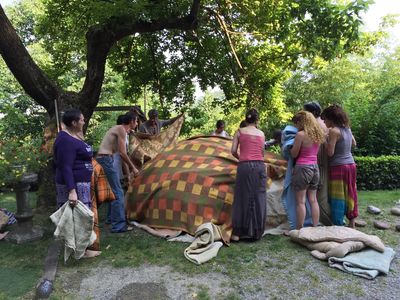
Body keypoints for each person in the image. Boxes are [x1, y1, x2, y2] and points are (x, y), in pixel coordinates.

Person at [53, 108, 100, 257]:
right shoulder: (65, 140)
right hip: (75, 186)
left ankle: (81, 249)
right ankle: (82, 252)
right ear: (74, 122)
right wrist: (72, 191)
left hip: (81, 185)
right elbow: (65, 166)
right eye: (81, 119)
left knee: (81, 218)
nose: (84, 121)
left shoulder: (72, 136)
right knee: (78, 219)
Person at [96, 113, 139, 233]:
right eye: (136, 121)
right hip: (105, 160)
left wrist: (128, 173)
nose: (137, 124)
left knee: (113, 191)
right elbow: (122, 154)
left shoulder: (122, 131)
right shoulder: (121, 129)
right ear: (131, 121)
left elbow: (122, 155)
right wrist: (134, 168)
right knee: (118, 192)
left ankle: (111, 219)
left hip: (105, 159)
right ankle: (118, 225)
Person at [231, 108, 266, 241]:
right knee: (258, 197)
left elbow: (233, 151)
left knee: (241, 197)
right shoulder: (261, 134)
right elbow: (262, 153)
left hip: (244, 165)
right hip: (259, 166)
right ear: (257, 120)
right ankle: (256, 232)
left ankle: (237, 233)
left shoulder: (240, 132)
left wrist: (241, 157)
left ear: (246, 119)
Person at [321, 104, 358, 227]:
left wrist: (324, 140)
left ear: (331, 118)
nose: (324, 122)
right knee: (351, 192)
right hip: (351, 164)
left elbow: (330, 153)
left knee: (338, 196)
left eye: (325, 119)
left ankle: (338, 225)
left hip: (338, 167)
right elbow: (354, 144)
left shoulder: (334, 131)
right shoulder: (347, 128)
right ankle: (352, 222)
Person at [290, 111, 325, 229]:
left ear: (302, 122)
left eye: (297, 123)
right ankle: (315, 226)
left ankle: (299, 229)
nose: (296, 126)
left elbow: (294, 154)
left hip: (303, 167)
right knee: (313, 199)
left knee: (300, 201)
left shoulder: (300, 135)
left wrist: (289, 149)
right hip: (315, 168)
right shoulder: (318, 134)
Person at [303, 101, 331, 226]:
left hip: (317, 160)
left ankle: (321, 220)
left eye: (306, 112)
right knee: (318, 192)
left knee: (317, 194)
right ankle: (317, 221)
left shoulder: (316, 125)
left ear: (313, 112)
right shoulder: (322, 124)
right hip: (319, 160)